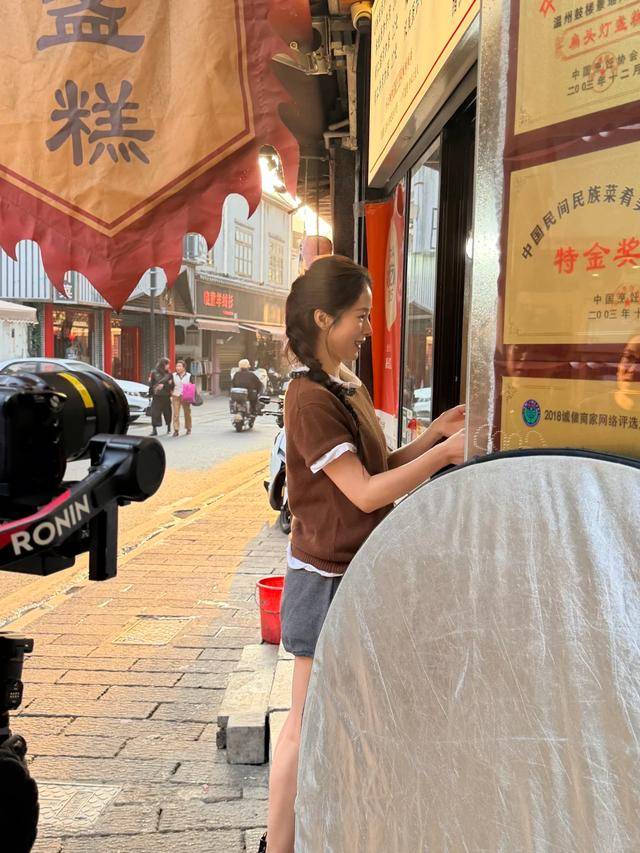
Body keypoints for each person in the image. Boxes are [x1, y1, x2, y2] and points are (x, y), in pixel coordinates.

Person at [262, 256, 465, 853]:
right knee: (303, 725)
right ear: (324, 319)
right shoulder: (309, 398)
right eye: (360, 316)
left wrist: (434, 435)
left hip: (356, 571)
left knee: (344, 718)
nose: (368, 329)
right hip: (324, 579)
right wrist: (445, 455)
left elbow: (380, 468)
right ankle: (279, 845)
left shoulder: (344, 384)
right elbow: (367, 492)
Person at [148, 357, 173, 436]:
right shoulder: (154, 372)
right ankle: (154, 430)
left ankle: (169, 428)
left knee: (167, 412)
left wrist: (164, 386)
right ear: (163, 364)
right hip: (157, 396)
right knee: (155, 413)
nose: (168, 366)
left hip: (166, 396)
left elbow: (172, 386)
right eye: (167, 364)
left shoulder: (169, 374)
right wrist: (150, 393)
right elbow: (151, 384)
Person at [171, 359, 193, 436]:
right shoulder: (173, 375)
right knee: (176, 413)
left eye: (179, 366)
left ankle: (188, 428)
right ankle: (176, 430)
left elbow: (192, 386)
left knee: (187, 412)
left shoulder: (189, 375)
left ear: (184, 367)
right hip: (176, 395)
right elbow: (171, 385)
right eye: (177, 366)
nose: (177, 367)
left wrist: (190, 386)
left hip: (185, 395)